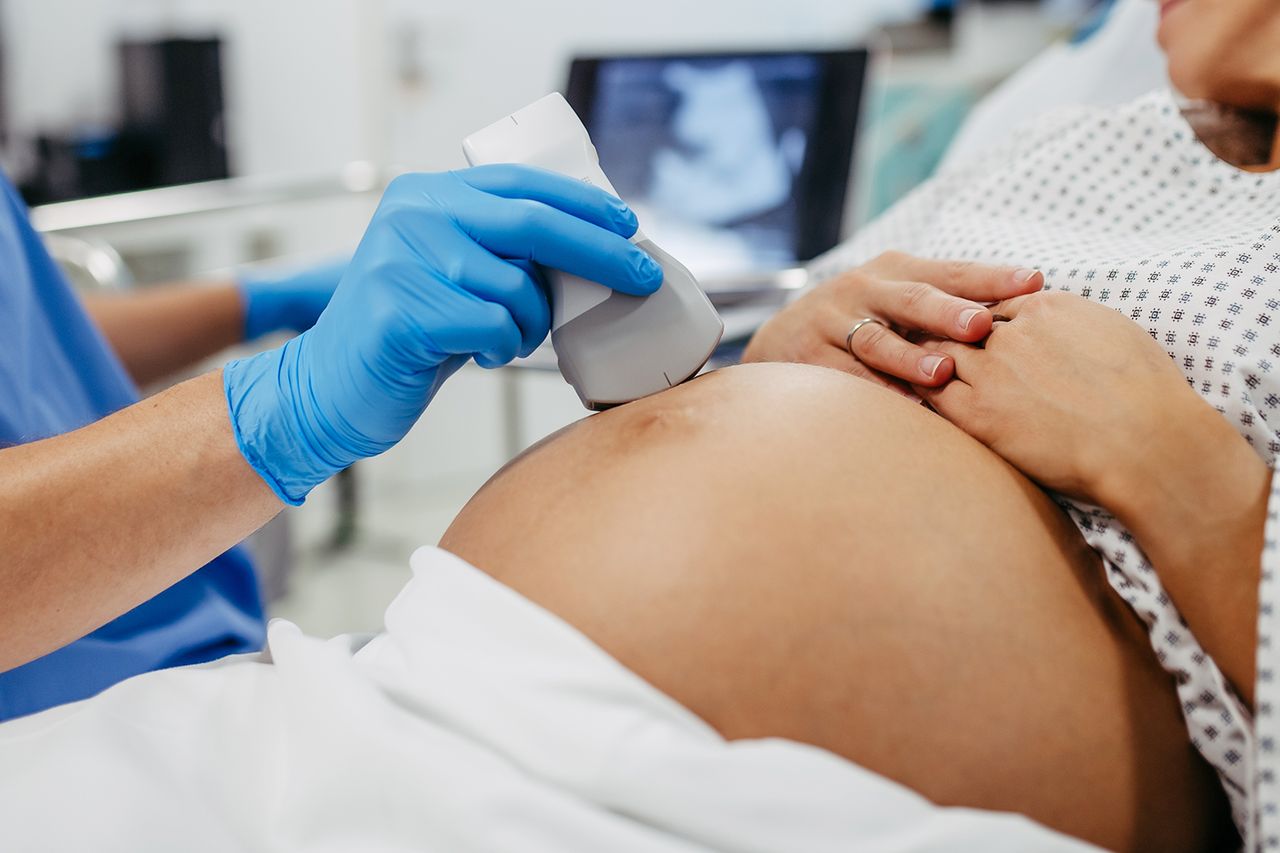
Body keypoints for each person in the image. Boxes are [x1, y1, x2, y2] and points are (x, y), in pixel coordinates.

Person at [437, 0, 1280, 850]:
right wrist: (780, 345)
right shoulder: (1071, 141)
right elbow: (766, 382)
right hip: (455, 680)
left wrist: (1171, 463)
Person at [0, 164, 663, 720]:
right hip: (68, 701)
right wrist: (283, 407)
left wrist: (263, 302)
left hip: (174, 635)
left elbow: (29, 337)